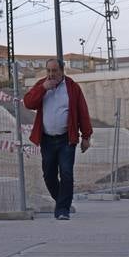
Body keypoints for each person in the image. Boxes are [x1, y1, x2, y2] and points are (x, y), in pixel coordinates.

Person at [23, 58, 93, 220]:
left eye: (54, 71)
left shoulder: (72, 87)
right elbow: (28, 103)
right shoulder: (42, 84)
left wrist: (86, 136)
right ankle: (61, 199)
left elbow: (82, 111)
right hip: (47, 139)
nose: (51, 74)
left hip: (66, 139)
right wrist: (43, 89)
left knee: (66, 173)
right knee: (48, 175)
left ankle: (62, 209)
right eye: (48, 71)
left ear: (62, 71)